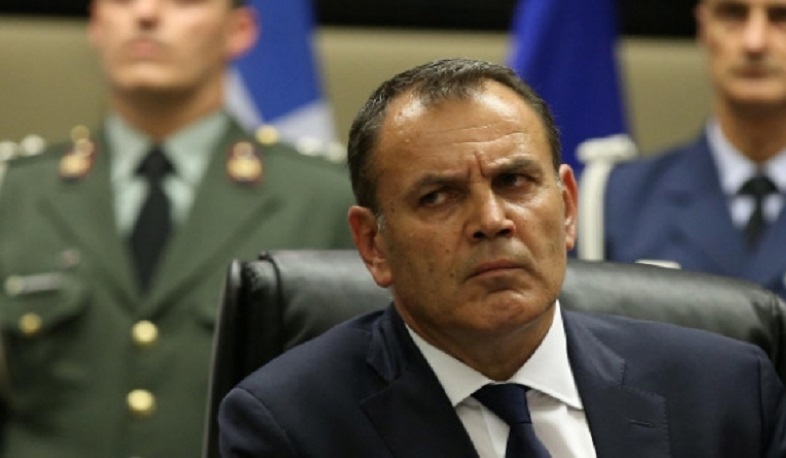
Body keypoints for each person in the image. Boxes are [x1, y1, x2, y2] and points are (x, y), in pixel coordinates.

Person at [217, 58, 786, 457]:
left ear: (567, 208)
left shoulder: (727, 395)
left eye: (514, 181)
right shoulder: (290, 427)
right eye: (438, 196)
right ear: (373, 244)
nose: (491, 220)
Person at [0, 0, 354, 456]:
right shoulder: (16, 191)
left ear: (239, 29)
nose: (146, 12)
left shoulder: (324, 200)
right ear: (96, 24)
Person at [603, 0, 786, 299]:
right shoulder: (614, 200)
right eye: (732, 14)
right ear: (704, 27)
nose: (755, 43)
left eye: (781, 17)